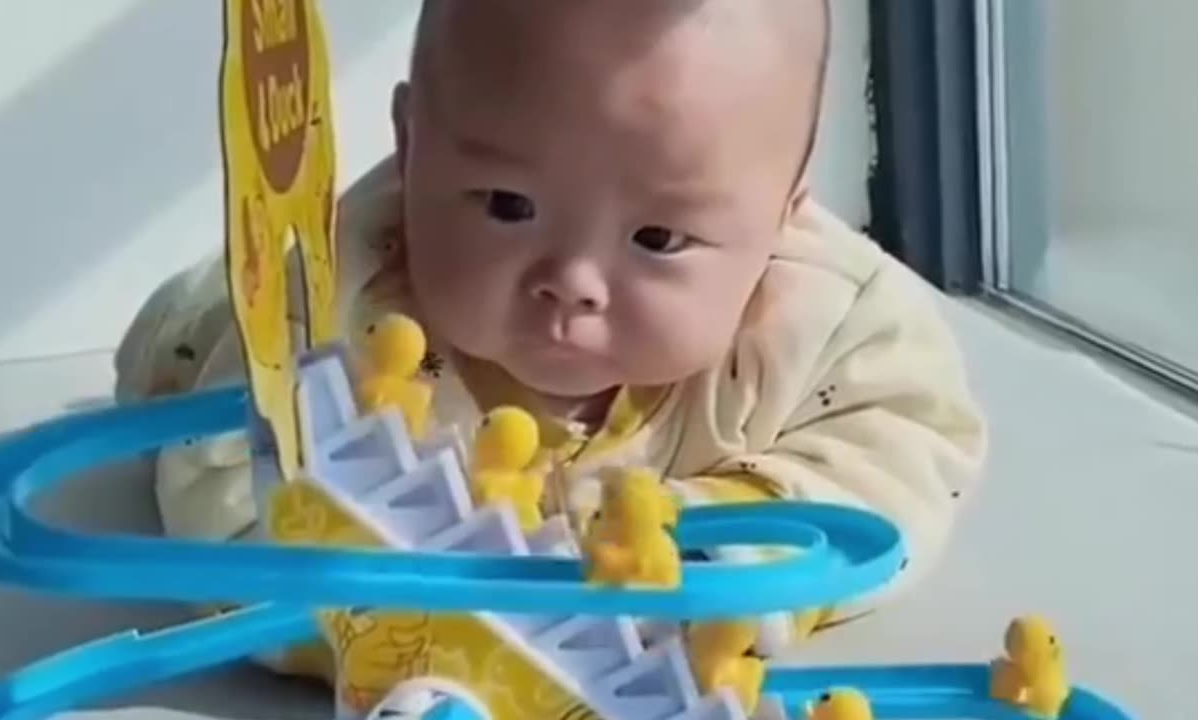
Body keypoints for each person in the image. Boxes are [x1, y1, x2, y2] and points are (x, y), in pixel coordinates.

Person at [114, 0, 986, 697]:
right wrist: (426, 628)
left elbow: (908, 446)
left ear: (783, 214)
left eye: (656, 237)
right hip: (199, 339)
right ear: (411, 147)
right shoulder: (330, 310)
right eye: (505, 205)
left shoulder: (821, 313)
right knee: (188, 342)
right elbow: (230, 488)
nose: (572, 281)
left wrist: (728, 548)